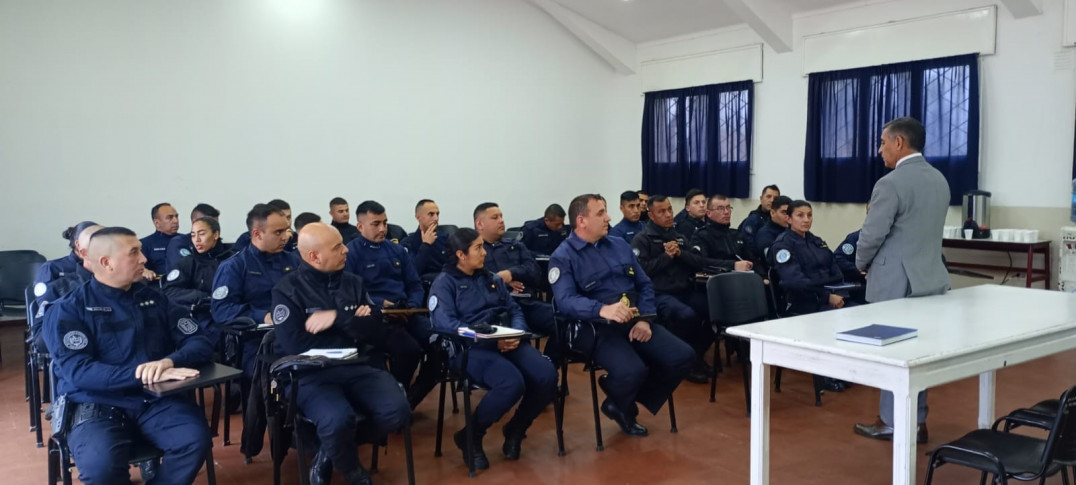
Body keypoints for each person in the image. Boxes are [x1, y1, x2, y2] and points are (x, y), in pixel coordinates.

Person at [43, 227, 214, 484]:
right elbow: (79, 371)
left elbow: (200, 341)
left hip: (153, 400)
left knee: (195, 441)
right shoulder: (69, 310)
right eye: (134, 253)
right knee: (101, 468)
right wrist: (140, 372)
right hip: (97, 403)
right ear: (106, 262)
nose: (144, 259)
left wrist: (169, 361)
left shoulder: (156, 299)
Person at [272, 222, 411, 485]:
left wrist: (337, 317)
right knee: (337, 420)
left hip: (357, 365)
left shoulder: (353, 282)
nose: (346, 250)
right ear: (314, 256)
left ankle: (328, 451)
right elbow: (295, 344)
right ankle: (351, 469)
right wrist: (353, 325)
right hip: (312, 373)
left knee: (398, 411)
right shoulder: (287, 290)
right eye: (337, 247)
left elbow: (377, 331)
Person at [549, 194, 693, 437]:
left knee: (682, 356)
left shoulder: (618, 245)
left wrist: (646, 320)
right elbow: (564, 302)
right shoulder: (563, 256)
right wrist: (600, 310)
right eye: (601, 213)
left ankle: (619, 401)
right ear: (581, 221)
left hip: (634, 319)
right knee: (633, 371)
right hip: (594, 326)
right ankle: (623, 393)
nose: (609, 217)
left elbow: (645, 285)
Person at [853, 117, 951, 444]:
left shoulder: (890, 183)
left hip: (896, 283)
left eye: (883, 142)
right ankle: (917, 421)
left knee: (892, 356)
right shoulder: (939, 180)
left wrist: (861, 264)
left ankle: (892, 422)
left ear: (899, 143)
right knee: (918, 355)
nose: (880, 150)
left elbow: (872, 233)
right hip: (931, 280)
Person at [429, 228, 557, 469]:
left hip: (505, 339)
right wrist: (488, 340)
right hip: (469, 348)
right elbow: (449, 326)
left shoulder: (491, 278)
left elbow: (515, 310)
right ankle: (471, 435)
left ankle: (516, 428)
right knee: (511, 382)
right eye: (478, 248)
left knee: (546, 376)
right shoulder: (444, 284)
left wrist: (517, 334)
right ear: (461, 255)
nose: (484, 252)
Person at [344, 200, 437, 408]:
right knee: (409, 350)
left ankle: (409, 400)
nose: (383, 229)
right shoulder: (350, 253)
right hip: (375, 316)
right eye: (376, 224)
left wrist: (411, 306)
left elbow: (415, 285)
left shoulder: (397, 251)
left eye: (385, 223)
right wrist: (379, 304)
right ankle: (393, 399)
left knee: (441, 344)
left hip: (406, 313)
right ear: (360, 227)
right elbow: (351, 293)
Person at [631, 195, 718, 384]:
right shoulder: (642, 239)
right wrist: (666, 257)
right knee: (686, 315)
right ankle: (683, 362)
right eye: (661, 211)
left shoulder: (678, 236)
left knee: (716, 313)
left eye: (669, 209)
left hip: (684, 290)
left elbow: (698, 263)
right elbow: (642, 271)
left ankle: (696, 355)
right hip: (659, 294)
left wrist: (680, 254)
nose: (668, 214)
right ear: (651, 215)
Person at [769, 200, 852, 392]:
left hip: (826, 296)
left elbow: (837, 272)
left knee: (859, 312)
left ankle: (845, 369)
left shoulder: (816, 241)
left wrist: (828, 290)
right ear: (789, 219)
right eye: (800, 215)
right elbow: (795, 282)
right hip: (801, 303)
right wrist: (826, 295)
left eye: (809, 215)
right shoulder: (783, 245)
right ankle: (825, 375)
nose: (806, 220)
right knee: (836, 320)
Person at [211, 203, 300, 376]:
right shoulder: (235, 266)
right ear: (257, 234)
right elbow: (221, 310)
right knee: (279, 374)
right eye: (278, 232)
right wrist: (262, 316)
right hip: (254, 341)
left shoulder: (293, 261)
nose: (285, 237)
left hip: (293, 333)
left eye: (286, 231)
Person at [474, 203, 555, 337]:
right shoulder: (473, 250)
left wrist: (511, 274)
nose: (501, 220)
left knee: (561, 321)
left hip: (525, 302)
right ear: (480, 224)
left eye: (501, 216)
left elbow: (535, 272)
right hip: (494, 308)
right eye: (495, 217)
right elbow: (477, 278)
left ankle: (551, 357)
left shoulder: (515, 245)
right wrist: (502, 281)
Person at [163, 217, 235, 343]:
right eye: (193, 235)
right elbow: (169, 291)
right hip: (204, 314)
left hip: (233, 311)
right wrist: (201, 296)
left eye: (201, 234)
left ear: (216, 234)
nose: (197, 240)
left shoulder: (233, 259)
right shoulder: (188, 262)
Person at [31, 223, 102, 347]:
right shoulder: (53, 268)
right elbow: (47, 306)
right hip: (66, 323)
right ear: (78, 245)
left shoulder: (105, 268)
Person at [689, 195, 756, 273]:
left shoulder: (737, 235)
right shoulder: (701, 235)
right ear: (709, 213)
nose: (726, 212)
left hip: (741, 278)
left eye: (728, 208)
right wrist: (733, 265)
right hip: (715, 279)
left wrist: (763, 277)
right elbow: (700, 261)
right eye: (720, 209)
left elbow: (753, 260)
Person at [400, 199, 449, 282]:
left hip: (446, 282)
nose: (436, 218)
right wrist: (426, 245)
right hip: (423, 286)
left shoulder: (445, 238)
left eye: (437, 214)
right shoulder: (408, 243)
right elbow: (412, 272)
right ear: (418, 217)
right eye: (431, 214)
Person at [165, 203, 220, 272]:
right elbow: (184, 270)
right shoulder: (179, 243)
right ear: (194, 222)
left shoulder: (217, 244)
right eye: (211, 225)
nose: (215, 229)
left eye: (216, 225)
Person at [140, 202, 181, 278]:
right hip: (158, 286)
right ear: (157, 223)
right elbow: (138, 267)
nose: (175, 221)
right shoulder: (144, 244)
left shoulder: (187, 240)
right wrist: (144, 271)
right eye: (169, 217)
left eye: (176, 216)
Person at [738, 185, 781, 249]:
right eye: (768, 197)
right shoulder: (753, 220)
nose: (772, 200)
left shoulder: (780, 220)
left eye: (775, 198)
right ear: (761, 198)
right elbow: (748, 246)